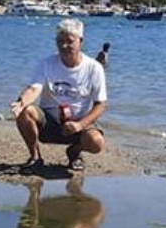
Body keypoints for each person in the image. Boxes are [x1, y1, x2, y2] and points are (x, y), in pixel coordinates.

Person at [10, 18, 107, 174]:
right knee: (26, 111)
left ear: (80, 41)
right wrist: (22, 102)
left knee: (97, 143)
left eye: (69, 41)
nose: (64, 46)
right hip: (50, 124)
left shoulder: (94, 68)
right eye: (60, 41)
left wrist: (80, 125)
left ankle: (74, 153)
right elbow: (34, 88)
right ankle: (35, 158)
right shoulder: (46, 64)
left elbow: (100, 105)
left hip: (78, 124)